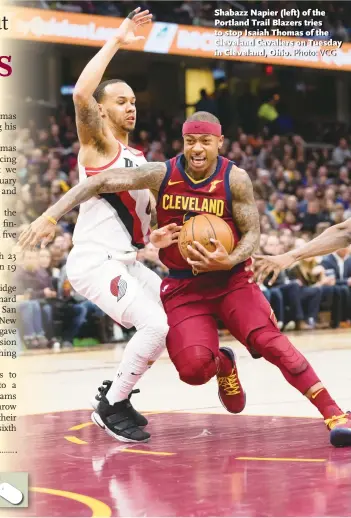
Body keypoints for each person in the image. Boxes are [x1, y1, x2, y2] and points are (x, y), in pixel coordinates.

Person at [19, 111, 351, 447]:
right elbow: (97, 182)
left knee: (273, 344)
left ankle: (334, 413)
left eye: (205, 141)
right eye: (191, 141)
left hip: (231, 280)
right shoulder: (162, 173)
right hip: (184, 286)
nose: (197, 148)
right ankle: (223, 364)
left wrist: (231, 258)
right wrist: (50, 215)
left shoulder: (235, 179)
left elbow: (252, 233)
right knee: (192, 370)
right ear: (183, 142)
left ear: (219, 143)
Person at [20, 7, 183, 444]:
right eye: (120, 100)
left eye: (133, 101)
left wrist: (156, 240)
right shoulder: (99, 145)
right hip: (95, 263)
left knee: (172, 321)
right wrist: (119, 37)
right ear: (103, 110)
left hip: (127, 261)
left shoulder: (139, 160)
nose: (130, 106)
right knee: (156, 327)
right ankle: (110, 404)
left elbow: (135, 228)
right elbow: (79, 95)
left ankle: (119, 393)